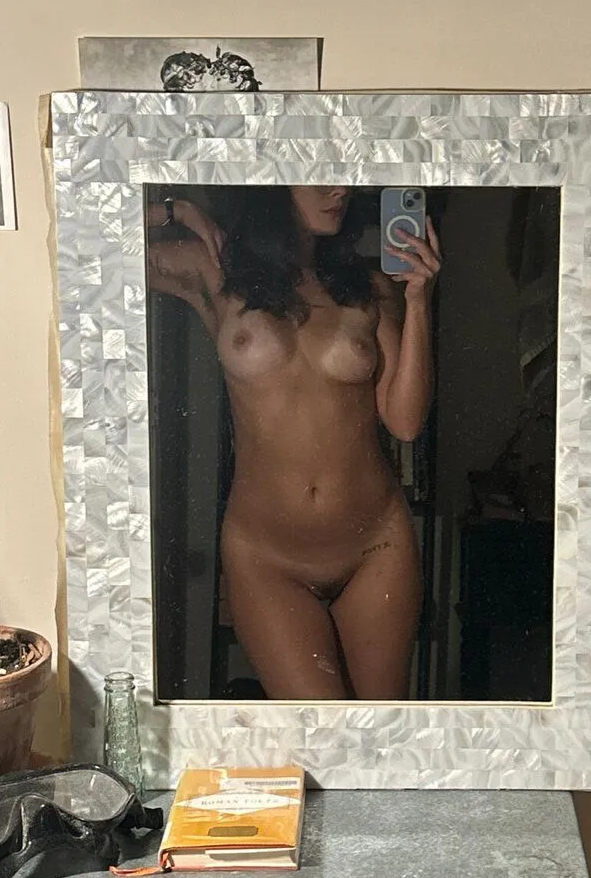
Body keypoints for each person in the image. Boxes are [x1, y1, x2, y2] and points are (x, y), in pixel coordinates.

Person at [145, 187, 440, 700]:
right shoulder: (214, 270)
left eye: (343, 175)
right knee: (317, 735)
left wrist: (418, 301)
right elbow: (87, 243)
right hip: (266, 558)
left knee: (379, 736)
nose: (339, 188)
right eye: (319, 173)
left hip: (376, 545)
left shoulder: (367, 288)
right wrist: (179, 210)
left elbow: (406, 422)